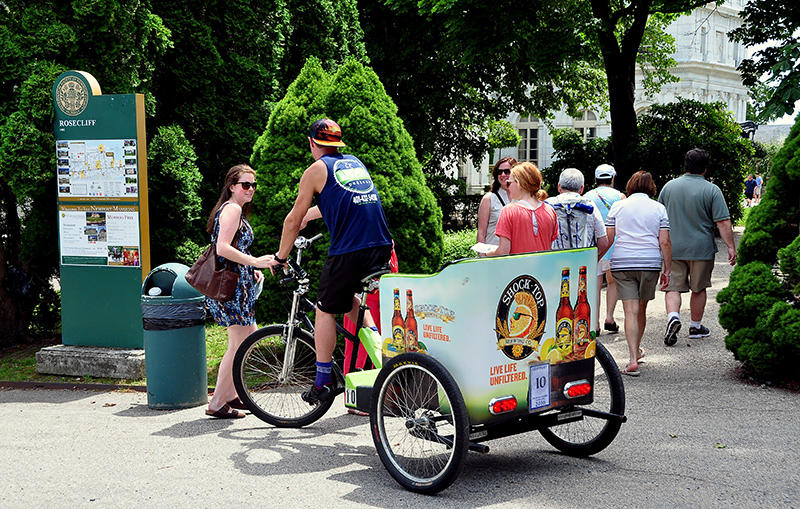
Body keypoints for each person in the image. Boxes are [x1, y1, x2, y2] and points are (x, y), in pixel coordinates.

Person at [270, 118, 393, 404]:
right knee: (348, 298)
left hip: (350, 250)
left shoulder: (315, 170)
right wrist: (308, 218)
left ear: (312, 143)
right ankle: (383, 351)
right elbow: (338, 203)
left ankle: (323, 380)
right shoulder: (353, 163)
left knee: (325, 309)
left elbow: (291, 220)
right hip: (381, 245)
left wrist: (280, 257)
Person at [205, 164, 275, 418]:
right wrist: (255, 261)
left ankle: (232, 395)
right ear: (232, 187)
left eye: (253, 185)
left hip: (238, 284)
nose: (251, 189)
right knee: (237, 344)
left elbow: (232, 249)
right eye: (245, 184)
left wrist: (250, 267)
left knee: (247, 338)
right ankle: (216, 403)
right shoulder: (233, 209)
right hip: (232, 289)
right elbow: (222, 248)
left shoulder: (233, 210)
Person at [658, 148, 736, 345]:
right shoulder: (711, 189)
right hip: (701, 248)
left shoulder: (669, 187)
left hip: (673, 247)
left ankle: (673, 317)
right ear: (705, 168)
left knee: (673, 287)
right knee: (698, 288)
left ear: (685, 165)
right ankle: (695, 326)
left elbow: (659, 218)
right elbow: (723, 222)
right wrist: (731, 246)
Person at [605, 171, 672, 376]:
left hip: (623, 262)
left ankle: (633, 358)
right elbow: (665, 242)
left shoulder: (618, 206)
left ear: (631, 185)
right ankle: (637, 351)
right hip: (649, 263)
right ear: (651, 187)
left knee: (629, 311)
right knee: (641, 308)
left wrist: (597, 258)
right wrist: (667, 268)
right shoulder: (659, 208)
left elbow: (608, 239)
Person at [583, 164, 626, 335]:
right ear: (613, 178)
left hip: (595, 246)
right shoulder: (620, 196)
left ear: (595, 179)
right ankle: (610, 317)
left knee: (595, 284)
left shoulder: (587, 196)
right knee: (613, 282)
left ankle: (595, 323)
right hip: (614, 245)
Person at [487, 162, 558, 256]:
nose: (508, 187)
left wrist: (489, 252)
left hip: (517, 269)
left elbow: (503, 252)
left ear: (519, 184)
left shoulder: (509, 211)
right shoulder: (549, 210)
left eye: (509, 183)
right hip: (543, 268)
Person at [546, 167, 609, 254]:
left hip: (556, 261)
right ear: (581, 189)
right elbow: (603, 242)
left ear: (559, 187)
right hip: (583, 262)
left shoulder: (548, 206)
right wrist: (592, 260)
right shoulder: (589, 206)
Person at [477, 157, 516, 251]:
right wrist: (482, 256)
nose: (503, 175)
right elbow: (481, 232)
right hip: (493, 253)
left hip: (515, 254)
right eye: (499, 172)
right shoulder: (489, 198)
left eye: (507, 171)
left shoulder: (520, 198)